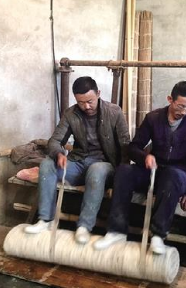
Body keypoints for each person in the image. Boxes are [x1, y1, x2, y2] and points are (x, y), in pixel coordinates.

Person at [94, 81, 186, 254]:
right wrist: (145, 157)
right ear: (170, 99)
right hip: (155, 170)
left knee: (172, 175)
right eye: (180, 106)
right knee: (124, 171)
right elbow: (133, 147)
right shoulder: (154, 118)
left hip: (180, 175)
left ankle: (158, 236)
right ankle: (116, 231)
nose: (184, 112)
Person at [25, 76, 130, 245]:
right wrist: (59, 154)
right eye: (81, 102)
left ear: (98, 93)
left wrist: (123, 174)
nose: (86, 106)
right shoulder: (71, 114)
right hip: (79, 162)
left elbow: (125, 145)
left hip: (105, 165)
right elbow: (54, 141)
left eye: (90, 101)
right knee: (47, 164)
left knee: (97, 170)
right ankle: (45, 220)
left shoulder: (114, 112)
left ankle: (84, 226)